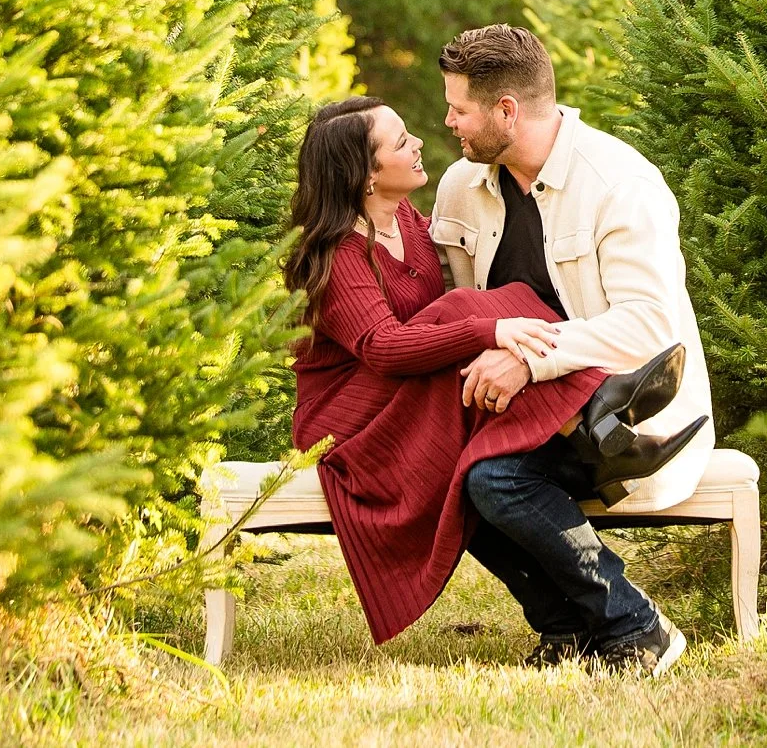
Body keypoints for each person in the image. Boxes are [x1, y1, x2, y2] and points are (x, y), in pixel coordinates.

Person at [286, 97, 693, 648]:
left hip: (403, 395)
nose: (421, 142)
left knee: (497, 309)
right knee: (474, 312)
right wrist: (490, 332)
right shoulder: (337, 254)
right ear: (365, 175)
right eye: (401, 141)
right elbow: (385, 348)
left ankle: (568, 626)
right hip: (348, 420)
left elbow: (428, 327)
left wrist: (500, 333)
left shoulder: (407, 221)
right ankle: (595, 408)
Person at [429, 25, 713, 678]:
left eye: (459, 108)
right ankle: (564, 628)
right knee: (438, 469)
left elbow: (649, 326)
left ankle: (635, 626)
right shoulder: (460, 188)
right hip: (518, 413)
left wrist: (531, 356)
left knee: (493, 478)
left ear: (507, 110)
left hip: (624, 418)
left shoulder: (620, 182)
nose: (448, 121)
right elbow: (464, 311)